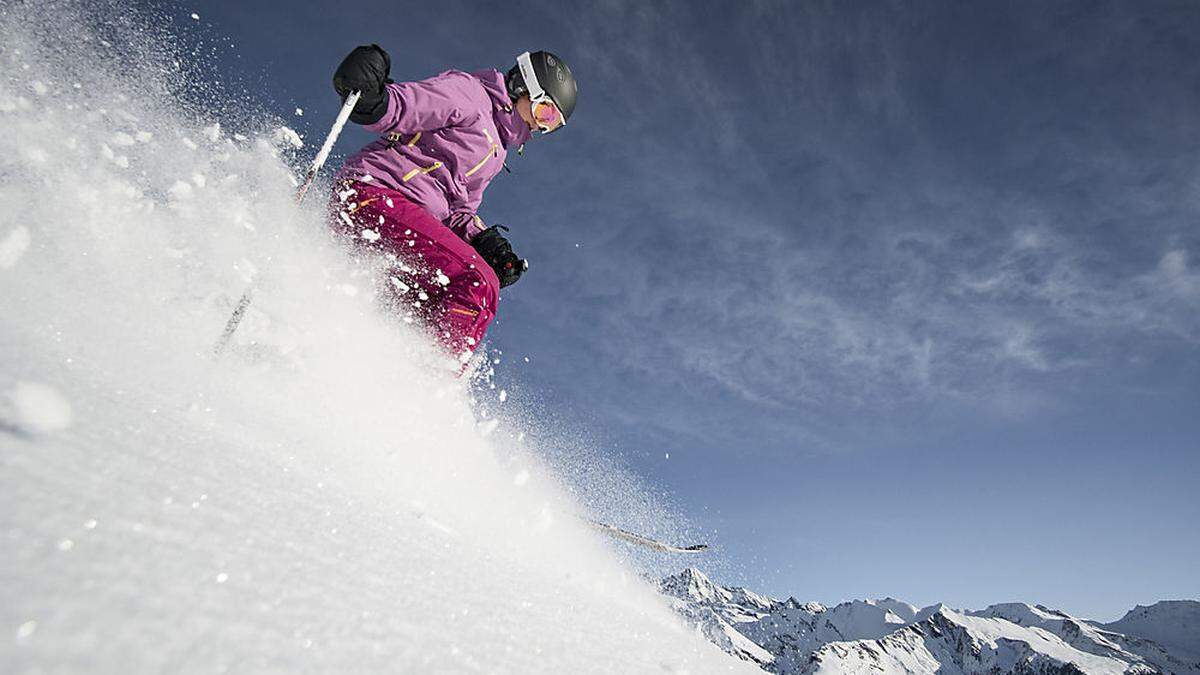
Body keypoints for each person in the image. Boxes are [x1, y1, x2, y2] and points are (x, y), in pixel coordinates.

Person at [328, 44, 577, 365]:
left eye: (552, 126)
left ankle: (374, 369)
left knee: (427, 305)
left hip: (404, 221)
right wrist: (375, 101)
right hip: (375, 195)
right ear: (523, 86)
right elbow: (408, 107)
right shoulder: (470, 94)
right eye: (545, 113)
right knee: (478, 283)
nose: (541, 128)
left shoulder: (497, 151)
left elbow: (458, 209)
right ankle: (427, 382)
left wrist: (485, 241)